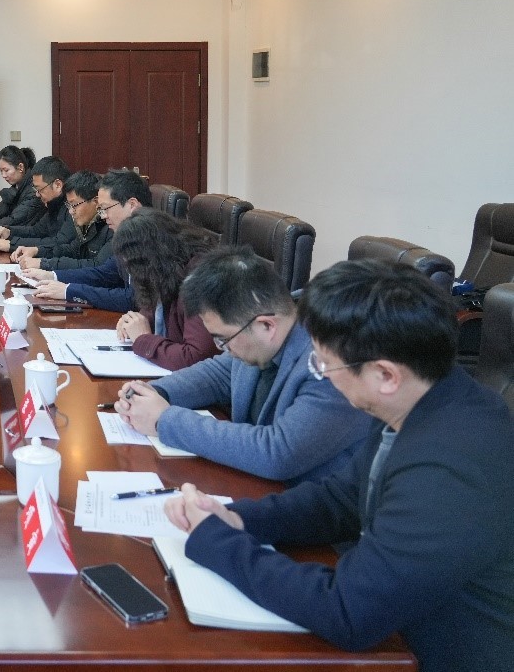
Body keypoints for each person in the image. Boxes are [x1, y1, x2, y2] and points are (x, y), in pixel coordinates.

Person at [164, 260, 514, 672]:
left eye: (325, 364)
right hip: (401, 626)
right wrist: (239, 519)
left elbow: (350, 612)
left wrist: (219, 543)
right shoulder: (418, 397)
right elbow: (343, 498)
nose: (322, 375)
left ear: (385, 375)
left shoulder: (451, 466)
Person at [116, 245, 376, 482]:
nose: (222, 348)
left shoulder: (331, 362)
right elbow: (219, 373)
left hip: (309, 505)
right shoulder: (257, 333)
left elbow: (277, 453)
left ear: (266, 325)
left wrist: (164, 420)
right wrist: (154, 392)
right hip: (254, 484)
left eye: (223, 339)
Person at [100, 208, 219, 369]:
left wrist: (143, 339)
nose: (134, 273)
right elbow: (159, 302)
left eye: (135, 265)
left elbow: (195, 357)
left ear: (151, 258)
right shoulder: (169, 269)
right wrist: (137, 320)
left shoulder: (200, 280)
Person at [31, 167, 151, 311]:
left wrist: (68, 291)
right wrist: (53, 276)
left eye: (106, 208)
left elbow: (133, 299)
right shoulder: (128, 237)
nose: (103, 215)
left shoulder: (151, 239)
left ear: (132, 205)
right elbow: (104, 274)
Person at [16, 170, 112, 271]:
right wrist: (37, 251)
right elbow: (71, 250)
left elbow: (97, 266)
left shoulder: (111, 227)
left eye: (74, 205)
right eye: (69, 205)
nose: (71, 211)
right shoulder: (90, 223)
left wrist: (44, 264)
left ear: (96, 202)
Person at [0, 157, 71, 255]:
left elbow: (57, 243)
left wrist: (11, 245)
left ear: (58, 185)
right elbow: (36, 231)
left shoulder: (72, 208)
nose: (37, 194)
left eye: (39, 189)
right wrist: (9, 231)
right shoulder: (54, 204)